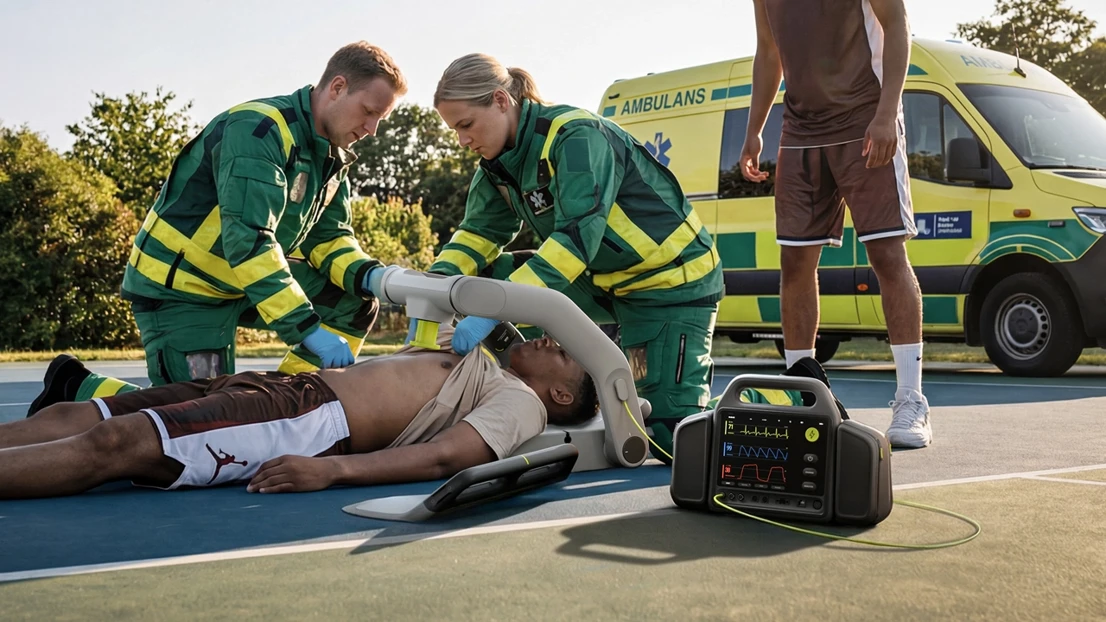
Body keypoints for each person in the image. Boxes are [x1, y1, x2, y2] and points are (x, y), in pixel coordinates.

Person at [425, 53, 725, 463]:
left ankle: (784, 398)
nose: (461, 140)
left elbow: (575, 241)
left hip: (668, 283)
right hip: (603, 280)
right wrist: (433, 286)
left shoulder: (577, 137)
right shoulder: (497, 165)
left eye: (465, 125)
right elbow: (478, 235)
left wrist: (496, 309)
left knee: (671, 438)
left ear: (499, 101)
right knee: (478, 278)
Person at [79, 41, 407, 406]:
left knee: (353, 301)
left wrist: (372, 277)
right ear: (337, 88)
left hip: (238, 282)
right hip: (183, 289)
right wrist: (308, 329)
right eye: (368, 111)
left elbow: (329, 239)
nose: (373, 128)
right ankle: (77, 388)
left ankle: (284, 403)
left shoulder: (330, 157)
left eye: (381, 118)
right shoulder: (258, 130)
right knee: (201, 415)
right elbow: (250, 240)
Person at [3, 324, 598, 499]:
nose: (550, 341)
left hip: (313, 420)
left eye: (563, 353)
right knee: (76, 416)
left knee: (117, 443)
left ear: (563, 395)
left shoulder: (524, 404)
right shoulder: (487, 364)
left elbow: (449, 455)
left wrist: (334, 471)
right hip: (283, 389)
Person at [739, 0, 932, 448]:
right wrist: (754, 129)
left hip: (866, 117)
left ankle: (911, 399)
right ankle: (801, 392)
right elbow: (768, 52)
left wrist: (887, 114)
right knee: (794, 261)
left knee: (886, 253)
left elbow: (898, 26)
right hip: (802, 128)